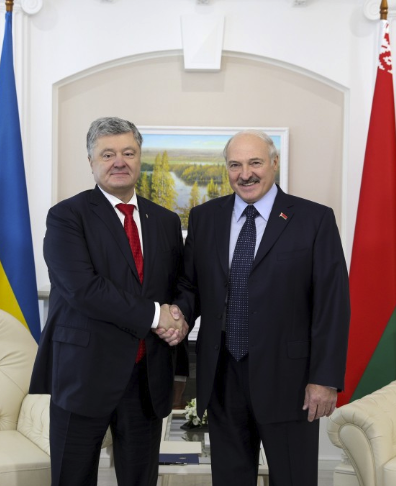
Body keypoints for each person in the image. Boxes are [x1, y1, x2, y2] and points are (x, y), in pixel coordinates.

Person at [175, 129, 350, 486]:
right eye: (235, 165)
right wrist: (176, 318)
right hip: (222, 374)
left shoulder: (313, 219)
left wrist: (325, 378)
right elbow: (190, 286)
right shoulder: (205, 217)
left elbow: (332, 304)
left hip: (290, 379)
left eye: (254, 163)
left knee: (294, 478)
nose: (245, 174)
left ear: (274, 163)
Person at [30, 117, 188, 486]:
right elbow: (83, 289)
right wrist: (157, 315)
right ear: (91, 161)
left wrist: (179, 317)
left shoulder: (165, 220)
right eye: (107, 154)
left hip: (146, 378)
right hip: (84, 374)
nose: (119, 161)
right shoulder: (66, 216)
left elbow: (180, 283)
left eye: (128, 153)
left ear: (139, 158)